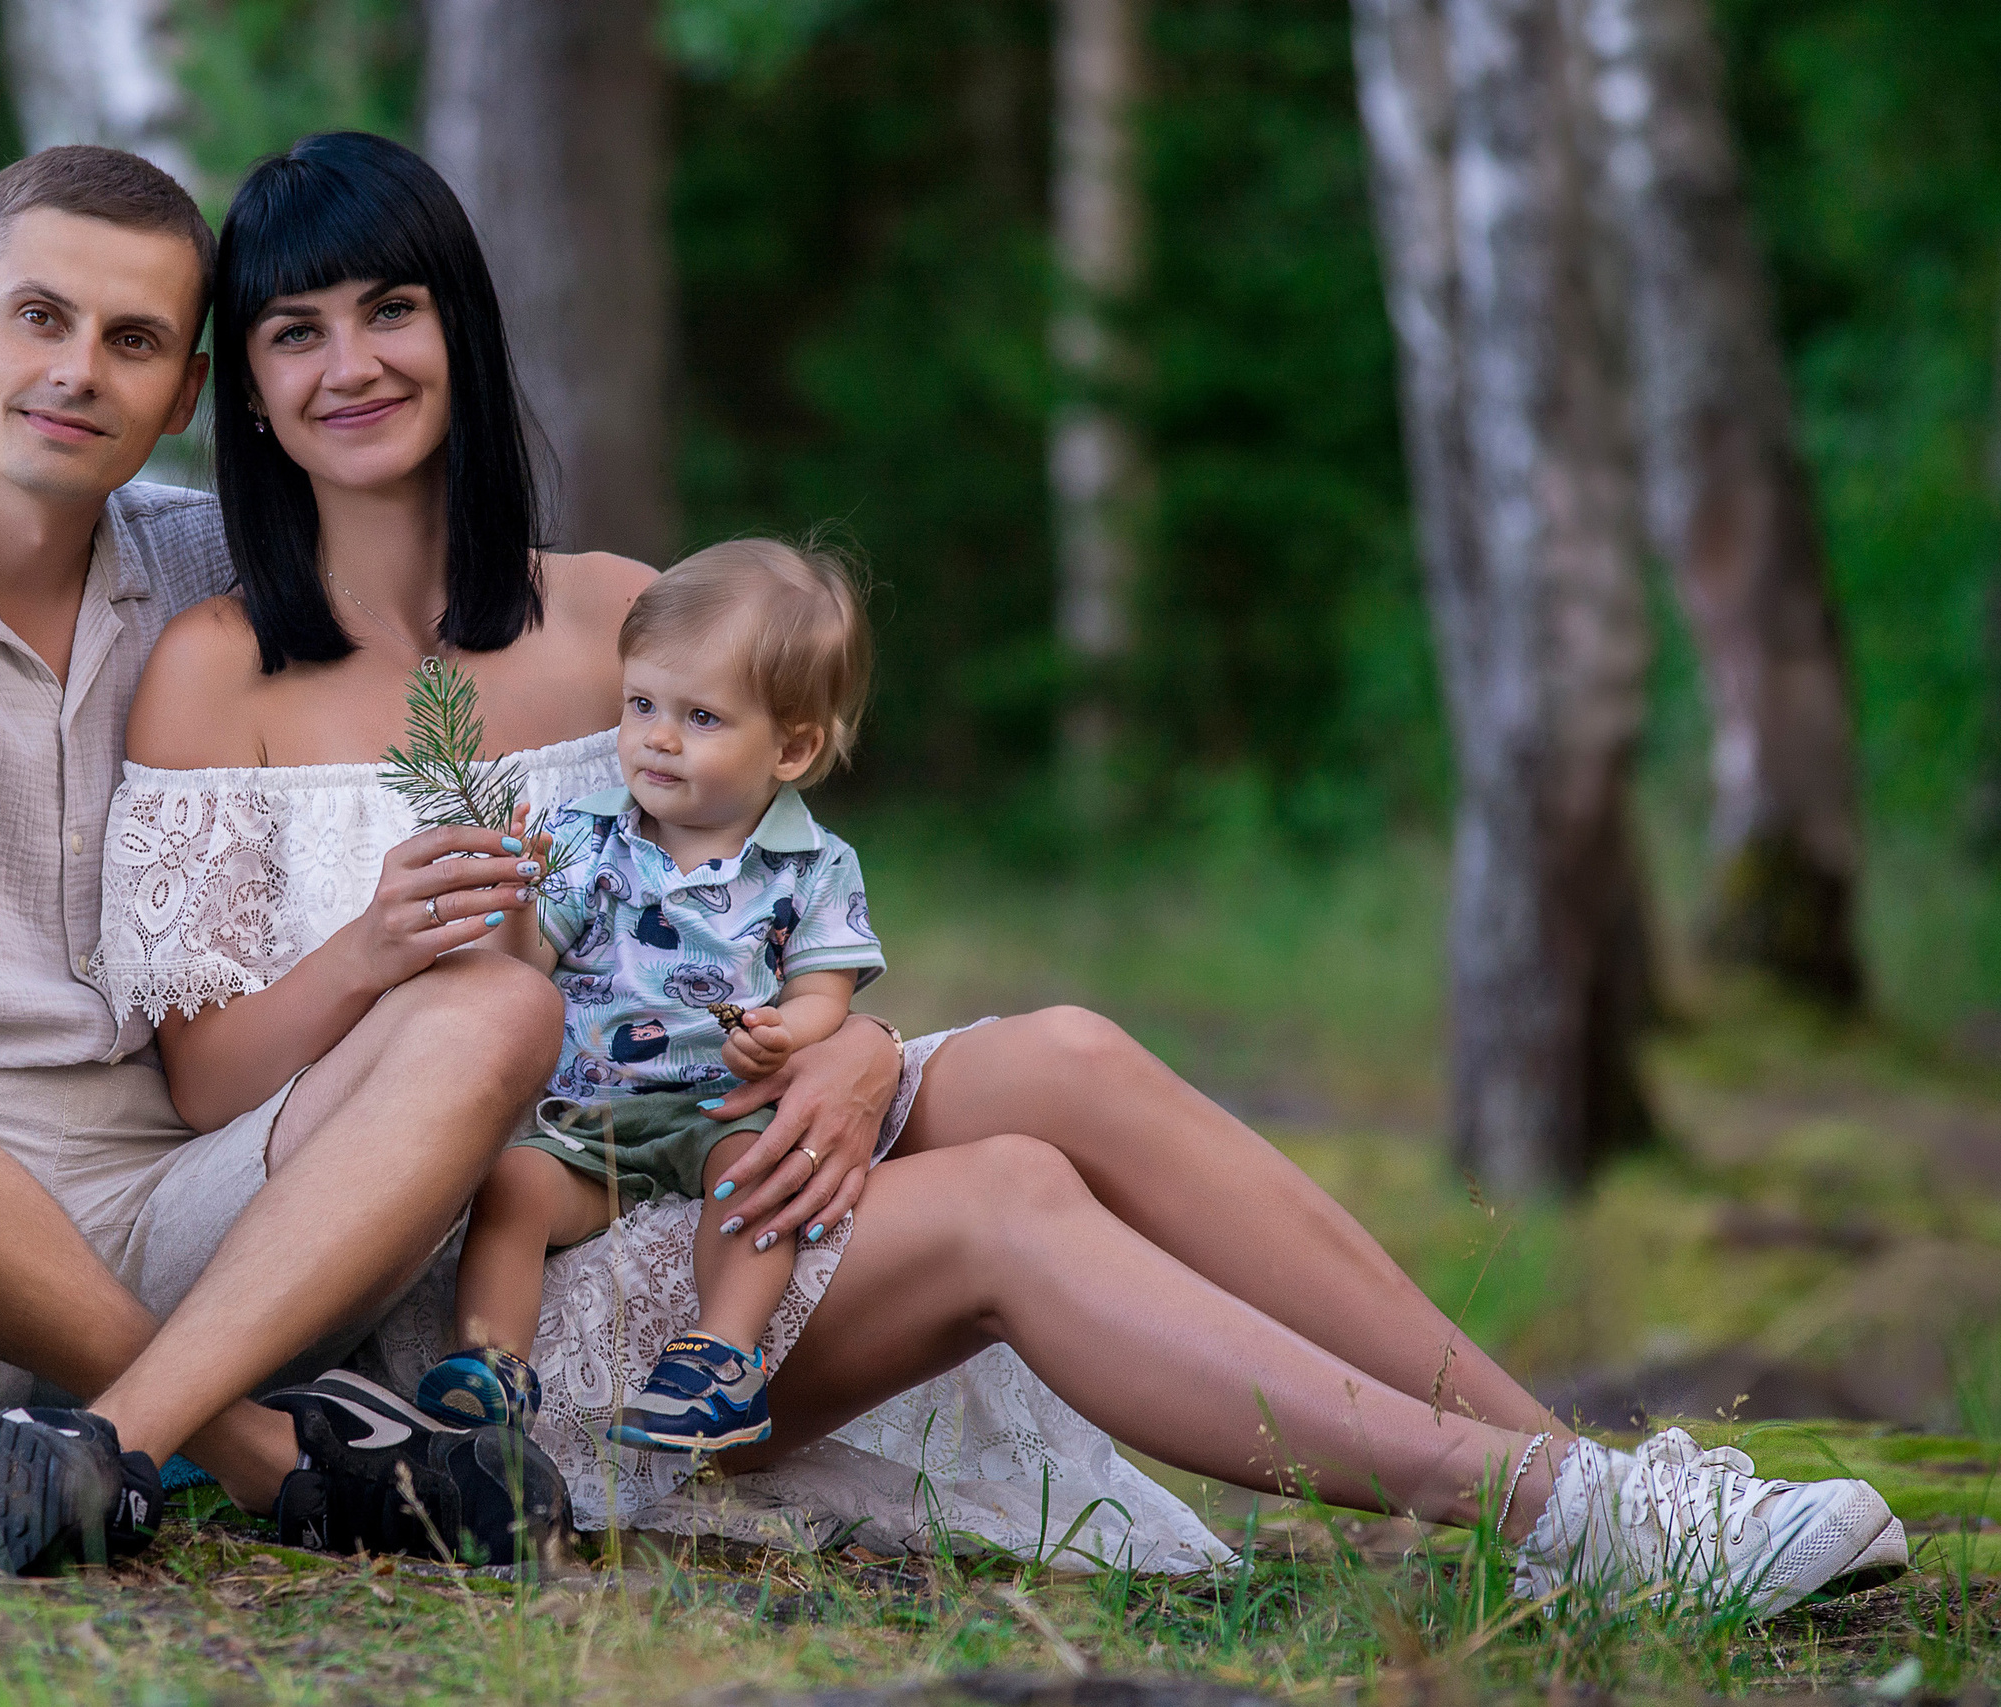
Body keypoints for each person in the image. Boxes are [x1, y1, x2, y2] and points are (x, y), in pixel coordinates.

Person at [100, 129, 1906, 1616]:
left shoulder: (613, 612)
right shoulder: (221, 671)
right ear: (244, 388)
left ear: (459, 328)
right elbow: (202, 1089)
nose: (352, 364)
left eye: (393, 308)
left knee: (1065, 1057)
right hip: (497, 1281)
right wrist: (361, 953)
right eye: (294, 331)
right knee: (1008, 1196)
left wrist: (857, 1049)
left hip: (717, 1140)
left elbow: (768, 895)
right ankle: (1546, 1515)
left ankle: (1594, 1492)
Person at [0, 143, 568, 1577]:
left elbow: (484, 643)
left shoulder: (224, 575)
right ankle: (265, 1458)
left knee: (499, 1008)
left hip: (197, 1230)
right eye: (41, 316)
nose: (80, 368)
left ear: (189, 393)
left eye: (134, 339)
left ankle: (109, 1441)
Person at [415, 539, 884, 1455]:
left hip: (721, 1105)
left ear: (792, 745)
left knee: (759, 1180)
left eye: (701, 716)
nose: (656, 737)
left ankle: (718, 1360)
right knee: (512, 1184)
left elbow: (824, 990)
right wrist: (514, 903)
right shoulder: (587, 837)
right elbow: (527, 970)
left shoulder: (813, 864)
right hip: (584, 1117)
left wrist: (781, 1033)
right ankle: (490, 1372)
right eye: (642, 705)